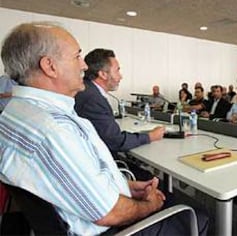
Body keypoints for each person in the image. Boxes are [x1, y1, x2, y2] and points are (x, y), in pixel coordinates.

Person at [0, 22, 208, 235]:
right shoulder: (53, 130)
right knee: (197, 215)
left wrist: (123, 186)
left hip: (84, 211)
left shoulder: (16, 112)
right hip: (111, 228)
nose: (83, 66)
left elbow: (74, 177)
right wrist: (150, 205)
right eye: (76, 57)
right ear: (50, 66)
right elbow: (109, 212)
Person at [75, 49, 165, 159]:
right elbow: (116, 141)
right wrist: (151, 136)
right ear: (103, 74)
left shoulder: (87, 89)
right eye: (117, 71)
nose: (120, 76)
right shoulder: (93, 98)